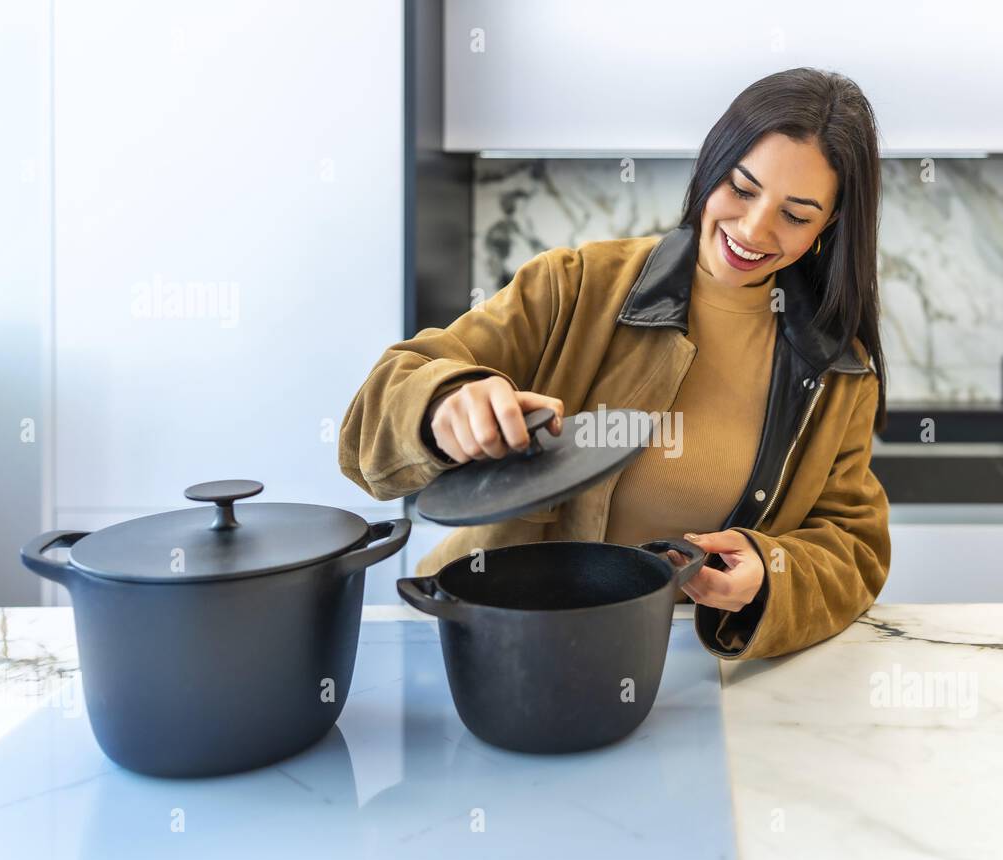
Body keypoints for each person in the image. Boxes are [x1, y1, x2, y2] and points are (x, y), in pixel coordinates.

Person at [339, 67, 891, 661]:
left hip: (667, 664)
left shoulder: (839, 372)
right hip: (486, 639)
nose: (753, 228)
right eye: (742, 187)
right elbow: (376, 415)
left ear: (828, 224)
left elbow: (853, 546)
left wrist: (771, 571)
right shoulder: (576, 286)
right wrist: (444, 402)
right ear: (712, 164)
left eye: (797, 213)